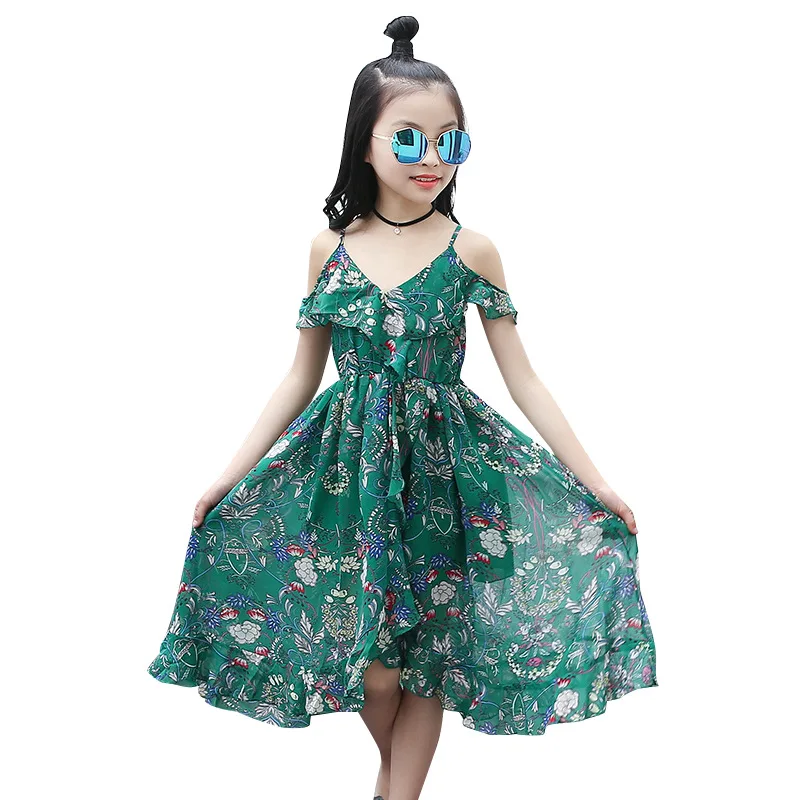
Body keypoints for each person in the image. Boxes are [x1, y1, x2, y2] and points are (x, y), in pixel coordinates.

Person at [147, 15, 658, 800]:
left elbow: (524, 379)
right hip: (346, 476)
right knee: (375, 672)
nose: (433, 160)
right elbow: (298, 377)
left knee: (429, 662)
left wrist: (597, 484)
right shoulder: (328, 249)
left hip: (449, 473)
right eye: (410, 140)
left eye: (451, 141)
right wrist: (227, 477)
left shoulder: (472, 249)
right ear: (365, 143)